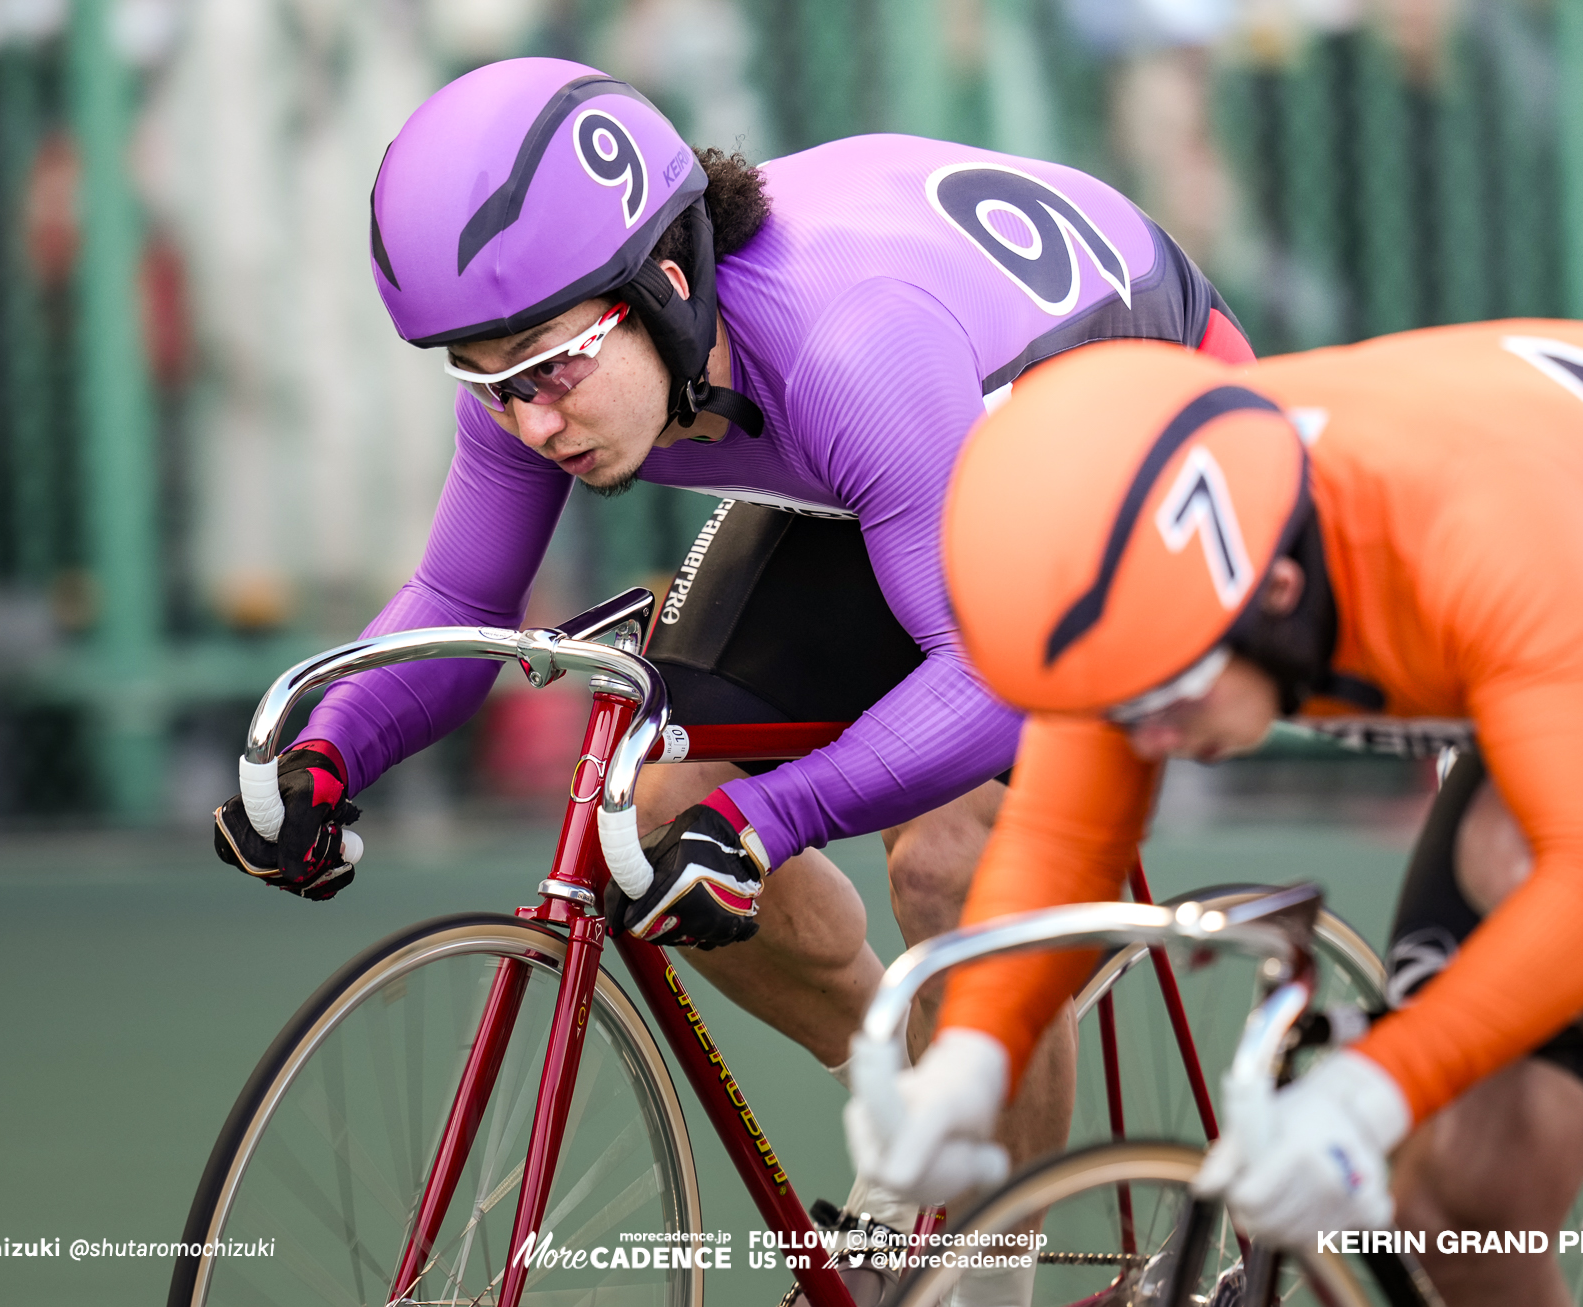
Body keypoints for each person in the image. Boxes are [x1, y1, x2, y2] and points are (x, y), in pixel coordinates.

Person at [207, 56, 1253, 1305]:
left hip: (1144, 429)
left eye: (546, 367)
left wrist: (771, 815)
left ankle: (988, 1269)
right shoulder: (579, 353)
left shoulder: (846, 349)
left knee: (949, 865)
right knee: (647, 818)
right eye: (483, 375)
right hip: (922, 448)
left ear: (661, 279)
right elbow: (459, 603)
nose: (529, 420)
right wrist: (327, 752)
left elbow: (988, 672)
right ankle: (902, 1090)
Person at [847, 184, 1583, 1307]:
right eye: (1115, 712)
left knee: (1518, 860)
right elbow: (1062, 839)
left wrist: (1370, 1089)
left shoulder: (1466, 533)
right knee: (1455, 1203)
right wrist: (968, 1062)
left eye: (1164, 700)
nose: (1148, 742)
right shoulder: (1159, 585)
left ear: (1275, 589)